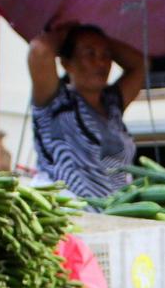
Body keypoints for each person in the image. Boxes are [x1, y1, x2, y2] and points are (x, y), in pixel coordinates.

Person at [27, 23, 146, 201]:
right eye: (89, 54)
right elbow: (39, 50)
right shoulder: (55, 101)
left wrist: (104, 38)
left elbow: (141, 65)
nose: (100, 63)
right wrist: (68, 32)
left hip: (116, 216)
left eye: (106, 55)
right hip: (67, 215)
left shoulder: (112, 105)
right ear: (67, 63)